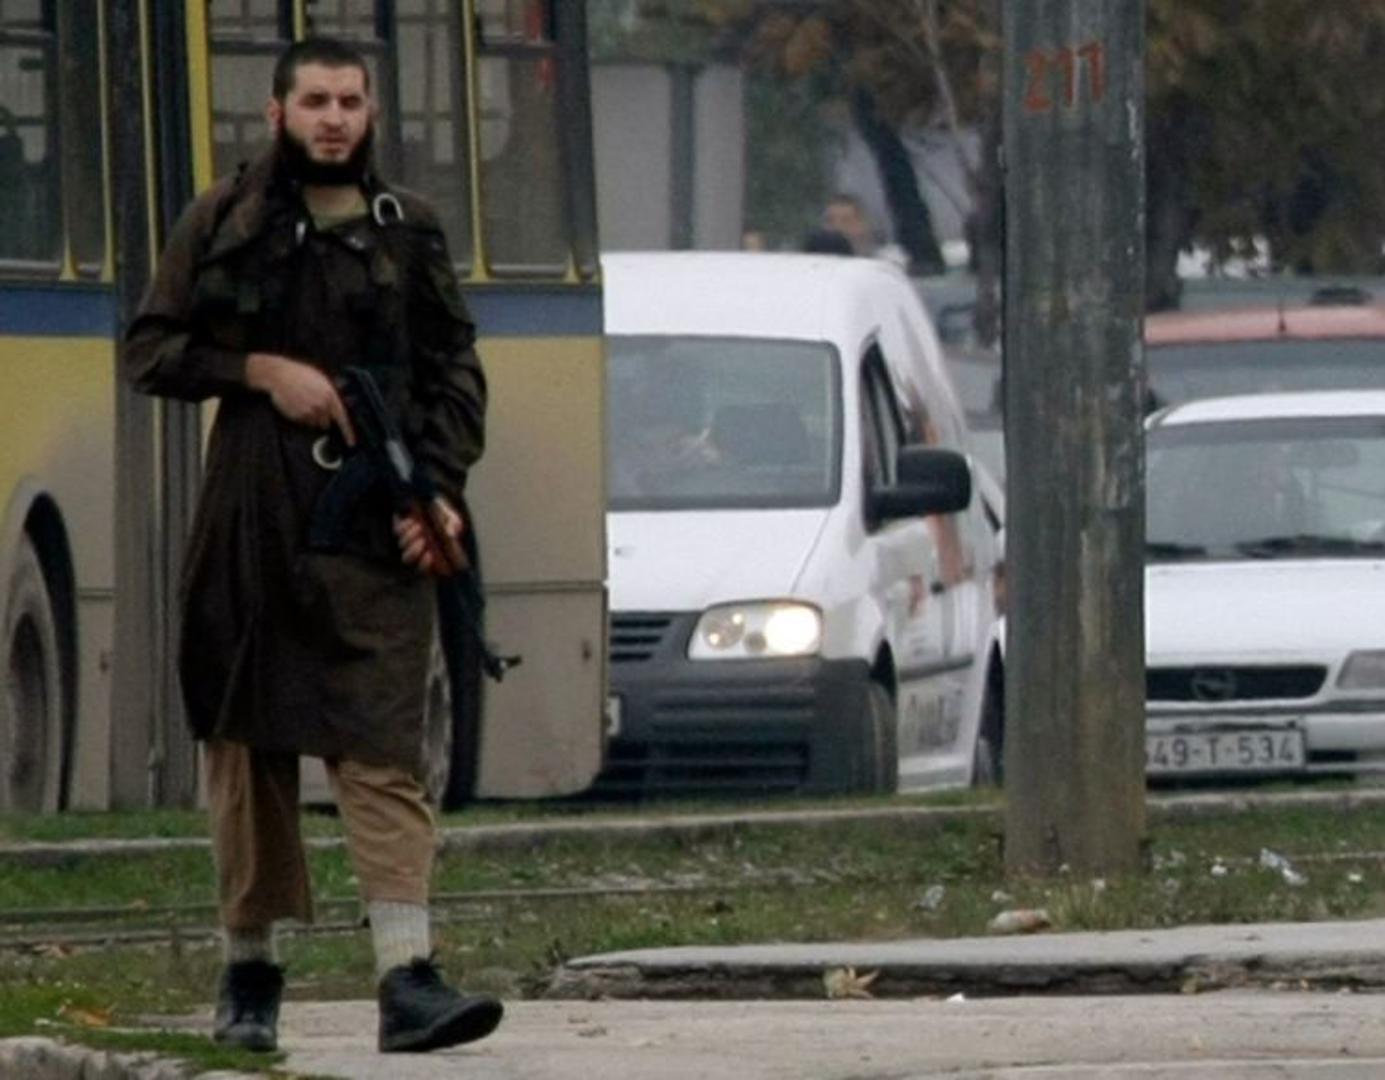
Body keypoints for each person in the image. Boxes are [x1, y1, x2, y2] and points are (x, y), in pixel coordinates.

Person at [122, 37, 501, 1056]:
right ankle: (250, 975)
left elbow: (454, 369)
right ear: (277, 112)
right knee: (246, 749)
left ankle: (407, 976)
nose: (333, 118)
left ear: (371, 112)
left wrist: (439, 491)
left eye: (349, 101)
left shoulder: (407, 229)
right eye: (315, 101)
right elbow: (151, 350)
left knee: (381, 747)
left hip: (374, 525)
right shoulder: (223, 219)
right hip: (252, 520)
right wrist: (259, 372)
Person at [821, 192, 908, 268]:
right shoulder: (817, 265)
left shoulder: (890, 262)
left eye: (846, 221)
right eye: (830, 221)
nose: (837, 227)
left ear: (865, 225)